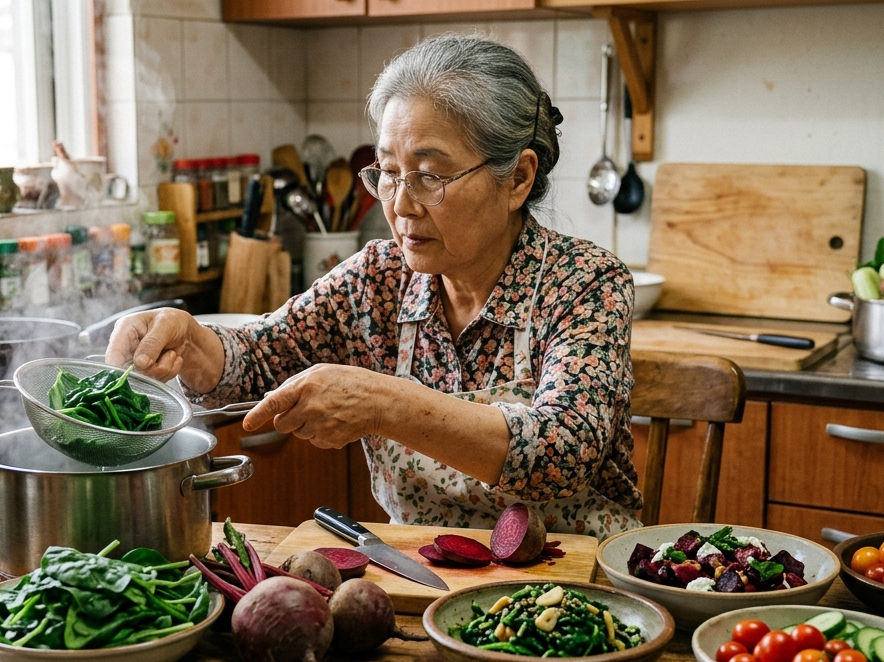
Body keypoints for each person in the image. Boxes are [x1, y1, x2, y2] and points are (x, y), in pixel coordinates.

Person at [107, 34, 640, 539]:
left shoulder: (585, 283)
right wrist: (194, 342)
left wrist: (384, 403)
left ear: (518, 179)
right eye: (387, 172)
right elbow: (263, 357)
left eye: (430, 176)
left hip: (573, 594)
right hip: (422, 580)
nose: (401, 206)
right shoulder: (379, 278)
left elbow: (560, 454)